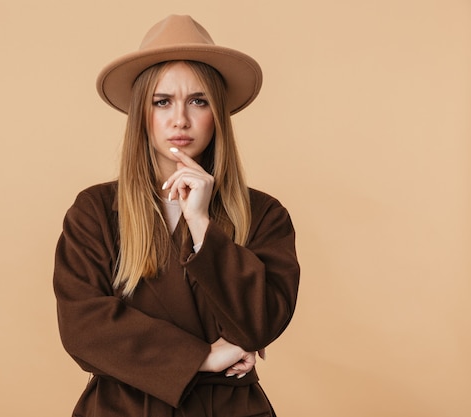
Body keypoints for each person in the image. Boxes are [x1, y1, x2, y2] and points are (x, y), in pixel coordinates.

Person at [53, 14, 300, 417]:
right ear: (141, 114)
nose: (180, 119)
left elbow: (261, 323)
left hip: (229, 408)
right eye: (162, 101)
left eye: (198, 101)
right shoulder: (94, 211)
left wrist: (203, 224)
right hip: (122, 409)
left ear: (217, 113)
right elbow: (83, 328)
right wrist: (201, 357)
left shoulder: (264, 215)